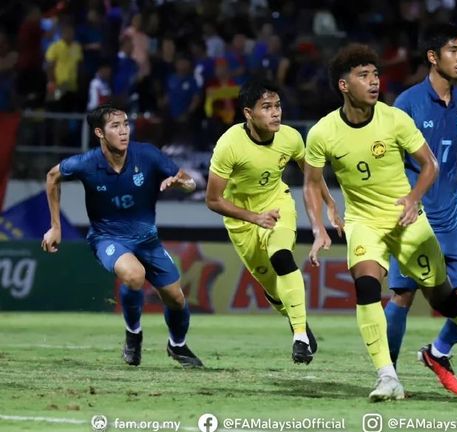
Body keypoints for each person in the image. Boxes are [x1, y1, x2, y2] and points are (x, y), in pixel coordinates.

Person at [304, 44, 457, 401]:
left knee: (443, 298)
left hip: (406, 219)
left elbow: (430, 164)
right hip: (364, 222)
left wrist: (413, 199)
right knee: (367, 288)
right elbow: (311, 182)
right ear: (343, 85)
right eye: (363, 75)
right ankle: (387, 376)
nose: (373, 82)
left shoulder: (394, 119)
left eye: (376, 74)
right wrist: (320, 225)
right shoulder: (323, 133)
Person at [41, 104, 203, 368]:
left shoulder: (147, 154)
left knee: (176, 298)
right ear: (100, 133)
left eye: (126, 124)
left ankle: (177, 345)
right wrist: (55, 227)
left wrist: (182, 183)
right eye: (115, 126)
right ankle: (134, 334)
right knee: (134, 275)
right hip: (107, 238)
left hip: (148, 240)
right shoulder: (87, 162)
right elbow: (52, 176)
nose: (124, 131)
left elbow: (189, 181)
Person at [384, 23, 457, 396]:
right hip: (416, 213)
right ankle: (389, 374)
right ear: (433, 57)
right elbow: (391, 159)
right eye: (453, 50)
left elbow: (445, 151)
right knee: (403, 295)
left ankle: (438, 352)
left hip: (453, 211)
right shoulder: (407, 104)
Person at [205, 79, 340, 364]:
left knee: (282, 257)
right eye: (266, 107)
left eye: (277, 106)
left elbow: (312, 177)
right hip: (242, 222)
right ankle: (295, 319)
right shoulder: (229, 145)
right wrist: (254, 217)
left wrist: (330, 205)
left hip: (278, 205)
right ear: (248, 113)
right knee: (272, 287)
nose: (275, 113)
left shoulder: (290, 138)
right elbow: (213, 200)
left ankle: (300, 336)